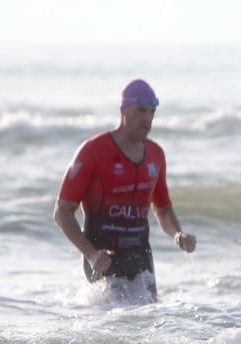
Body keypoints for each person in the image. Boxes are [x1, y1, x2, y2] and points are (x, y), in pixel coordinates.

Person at [53, 79, 196, 301]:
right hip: (103, 259)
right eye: (140, 110)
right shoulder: (94, 150)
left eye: (152, 112)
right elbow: (62, 211)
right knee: (111, 330)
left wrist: (178, 235)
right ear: (123, 110)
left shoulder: (156, 155)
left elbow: (163, 209)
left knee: (148, 326)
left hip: (141, 258)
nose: (147, 119)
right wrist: (91, 255)